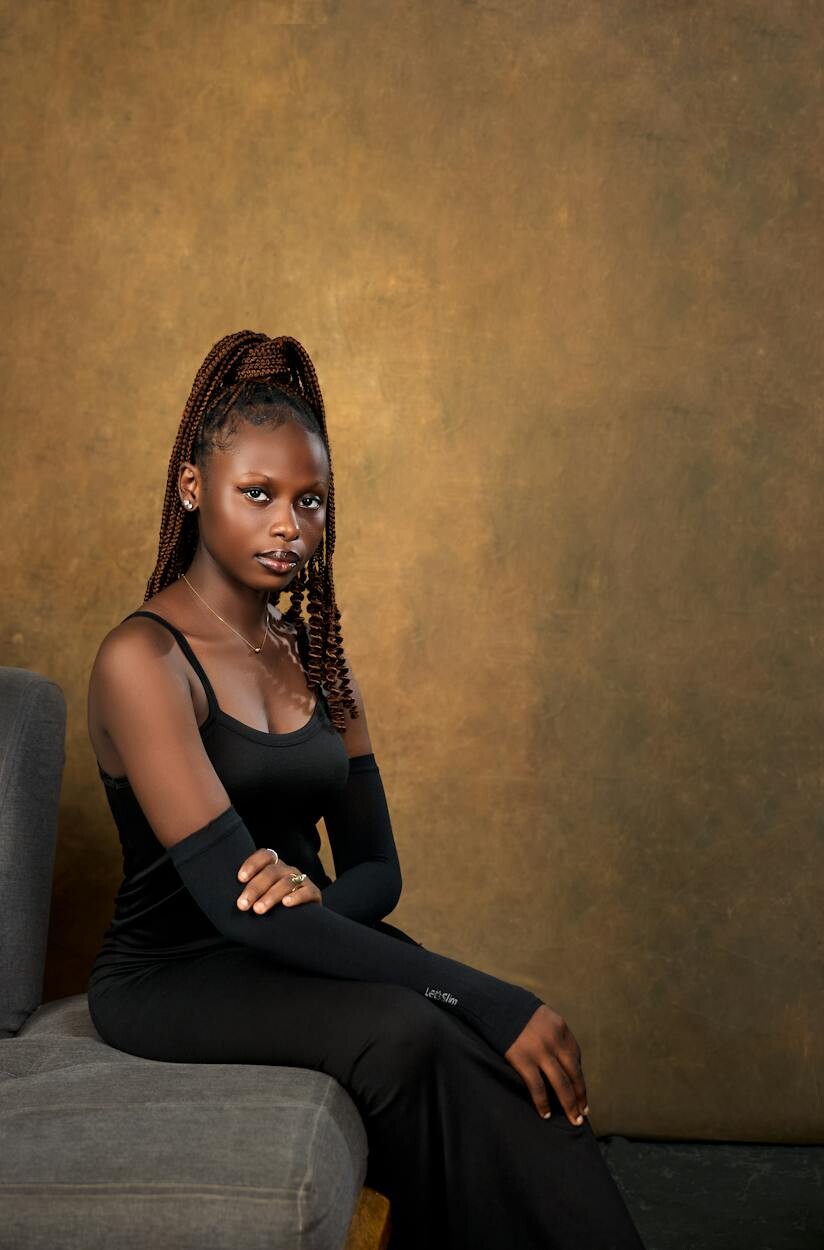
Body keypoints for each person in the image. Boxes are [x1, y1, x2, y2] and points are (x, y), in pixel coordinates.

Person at [85, 330, 645, 1249]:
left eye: (309, 501)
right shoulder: (143, 660)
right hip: (174, 973)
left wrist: (316, 904)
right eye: (257, 494)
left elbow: (378, 870)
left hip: (298, 942)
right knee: (413, 1031)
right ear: (192, 487)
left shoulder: (317, 657)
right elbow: (236, 912)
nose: (287, 526)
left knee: (478, 1048)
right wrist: (493, 997)